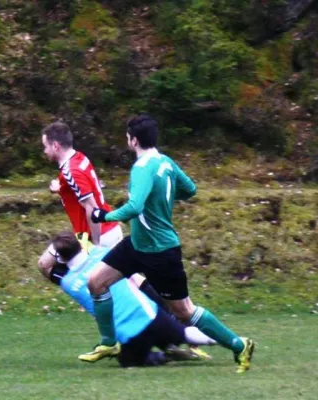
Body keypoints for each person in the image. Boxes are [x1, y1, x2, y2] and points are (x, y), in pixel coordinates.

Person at [87, 114, 255, 373]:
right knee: (96, 282)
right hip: (137, 245)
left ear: (133, 140)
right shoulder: (165, 163)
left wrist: (104, 215)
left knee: (184, 311)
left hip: (160, 251)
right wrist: (163, 196)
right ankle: (110, 343)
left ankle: (238, 344)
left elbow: (134, 207)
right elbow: (190, 190)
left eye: (127, 137)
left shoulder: (143, 167)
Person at [38, 121, 194, 362]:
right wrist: (60, 188)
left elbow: (90, 208)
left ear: (56, 145)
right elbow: (87, 187)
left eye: (45, 146)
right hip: (96, 233)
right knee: (130, 280)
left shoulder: (73, 171)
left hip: (98, 234)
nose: (44, 151)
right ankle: (168, 329)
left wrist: (97, 247)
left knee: (126, 283)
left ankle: (171, 331)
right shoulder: (78, 160)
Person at [43, 232, 217, 368]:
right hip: (151, 313)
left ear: (61, 258)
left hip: (129, 333)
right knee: (186, 334)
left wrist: (53, 252)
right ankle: (231, 341)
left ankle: (164, 356)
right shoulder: (103, 253)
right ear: (80, 245)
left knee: (127, 360)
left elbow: (44, 265)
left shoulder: (68, 283)